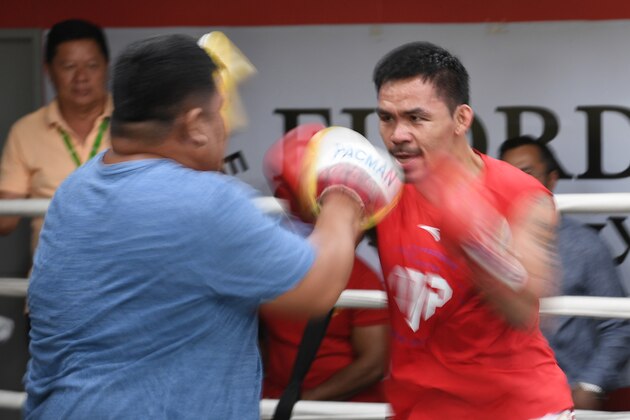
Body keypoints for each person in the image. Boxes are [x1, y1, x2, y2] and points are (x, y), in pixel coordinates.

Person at [23, 34, 386, 419]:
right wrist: (344, 195)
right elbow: (318, 287)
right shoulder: (204, 201)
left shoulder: (75, 189)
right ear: (196, 123)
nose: (225, 128)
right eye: (220, 112)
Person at [371, 42, 574, 419]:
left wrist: (474, 237)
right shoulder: (380, 193)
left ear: (461, 119)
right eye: (386, 118)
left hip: (516, 409)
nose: (398, 134)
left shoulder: (520, 193)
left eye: (416, 118)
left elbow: (524, 307)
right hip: (419, 409)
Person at [259, 124, 389, 402]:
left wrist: (305, 403)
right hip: (275, 402)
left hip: (344, 409)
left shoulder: (364, 278)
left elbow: (374, 362)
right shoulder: (268, 263)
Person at [499, 135, 630, 410]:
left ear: (552, 179)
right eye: (506, 173)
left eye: (526, 173)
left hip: (564, 399)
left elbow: (619, 325)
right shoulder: (487, 242)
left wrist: (590, 385)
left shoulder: (585, 245)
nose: (515, 182)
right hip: (504, 398)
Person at [0, 19, 111, 254]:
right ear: (48, 70)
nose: (81, 77)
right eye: (69, 66)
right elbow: (5, 220)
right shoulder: (25, 131)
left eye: (92, 65)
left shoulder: (136, 124)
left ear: (107, 66)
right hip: (53, 281)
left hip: (121, 280)